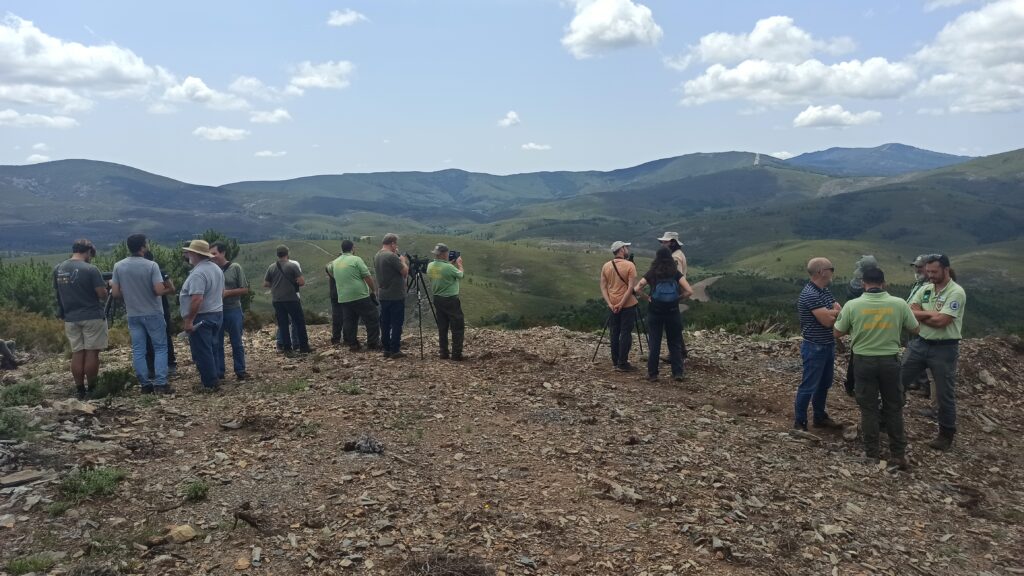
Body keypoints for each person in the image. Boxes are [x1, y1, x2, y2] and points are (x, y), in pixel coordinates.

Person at [833, 267, 919, 468]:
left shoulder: (853, 305)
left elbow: (837, 332)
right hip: (890, 361)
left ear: (864, 284)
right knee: (894, 407)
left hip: (863, 361)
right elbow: (915, 328)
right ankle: (898, 453)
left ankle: (872, 453)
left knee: (868, 408)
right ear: (884, 283)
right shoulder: (899, 304)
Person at [900, 254, 967, 451]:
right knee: (898, 380)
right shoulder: (926, 288)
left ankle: (946, 434)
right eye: (928, 271)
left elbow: (942, 321)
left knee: (945, 393)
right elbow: (909, 310)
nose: (929, 275)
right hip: (920, 343)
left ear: (946, 270)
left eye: (934, 272)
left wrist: (922, 315)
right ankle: (886, 420)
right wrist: (930, 314)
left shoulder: (956, 292)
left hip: (944, 348)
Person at [111, 234, 174, 394]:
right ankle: (161, 383)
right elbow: (158, 290)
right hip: (153, 312)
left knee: (139, 350)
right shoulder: (151, 265)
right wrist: (170, 288)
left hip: (133, 313)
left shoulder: (119, 266)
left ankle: (145, 384)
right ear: (143, 247)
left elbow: (116, 293)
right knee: (160, 347)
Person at [53, 239, 108, 399]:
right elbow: (102, 295)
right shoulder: (91, 269)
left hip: (71, 317)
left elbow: (58, 293)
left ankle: (79, 389)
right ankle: (92, 388)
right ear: (89, 251)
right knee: (92, 353)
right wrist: (106, 287)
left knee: (77, 352)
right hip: (92, 316)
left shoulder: (58, 268)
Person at [794, 257, 843, 431]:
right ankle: (800, 423)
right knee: (808, 386)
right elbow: (828, 321)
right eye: (831, 268)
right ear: (821, 272)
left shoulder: (823, 291)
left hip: (826, 344)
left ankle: (819, 417)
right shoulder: (811, 294)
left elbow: (837, 310)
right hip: (815, 346)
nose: (833, 272)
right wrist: (834, 312)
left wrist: (833, 312)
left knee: (824, 384)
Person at [634, 247, 693, 382]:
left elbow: (637, 288)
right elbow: (689, 291)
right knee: (674, 342)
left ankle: (653, 374)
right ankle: (678, 372)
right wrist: (677, 298)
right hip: (672, 311)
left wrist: (647, 297)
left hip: (655, 311)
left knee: (655, 342)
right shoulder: (675, 273)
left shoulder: (652, 272)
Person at [180, 239, 225, 391]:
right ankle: (215, 376)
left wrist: (189, 320)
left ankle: (210, 383)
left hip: (203, 316)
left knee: (202, 350)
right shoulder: (216, 269)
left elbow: (197, 298)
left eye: (189, 253)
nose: (187, 256)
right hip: (217, 313)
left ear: (194, 254)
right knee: (212, 347)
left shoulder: (198, 273)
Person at [328, 240, 380, 352]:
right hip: (359, 294)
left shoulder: (335, 262)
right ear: (353, 248)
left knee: (349, 321)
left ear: (342, 249)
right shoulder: (356, 259)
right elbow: (367, 276)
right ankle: (373, 343)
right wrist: (373, 290)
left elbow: (329, 271)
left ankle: (353, 344)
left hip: (343, 297)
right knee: (372, 318)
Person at [210, 241, 249, 381]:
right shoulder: (211, 269)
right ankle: (219, 371)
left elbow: (245, 289)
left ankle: (240, 370)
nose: (212, 256)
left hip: (233, 309)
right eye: (210, 254)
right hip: (216, 311)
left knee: (236, 341)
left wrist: (227, 293)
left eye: (214, 253)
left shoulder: (235, 268)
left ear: (223, 253)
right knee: (216, 342)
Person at [842, 255, 879, 397]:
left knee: (856, 353)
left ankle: (851, 385)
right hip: (872, 321)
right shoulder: (868, 283)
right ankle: (860, 385)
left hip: (858, 321)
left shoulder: (856, 282)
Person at [600, 241, 639, 371]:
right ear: (621, 250)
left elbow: (603, 287)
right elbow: (630, 288)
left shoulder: (606, 266)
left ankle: (615, 361)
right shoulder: (630, 265)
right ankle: (623, 363)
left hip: (612, 304)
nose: (627, 249)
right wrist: (622, 304)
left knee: (614, 332)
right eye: (626, 247)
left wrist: (610, 304)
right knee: (626, 333)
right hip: (627, 304)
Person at [264, 245, 310, 354]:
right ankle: (303, 347)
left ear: (277, 254)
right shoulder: (292, 266)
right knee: (299, 322)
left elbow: (266, 283)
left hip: (277, 300)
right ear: (287, 253)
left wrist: (276, 286)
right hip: (291, 298)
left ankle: (287, 349)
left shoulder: (271, 267)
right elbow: (302, 282)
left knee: (283, 324)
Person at [427, 243, 466, 360]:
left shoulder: (430, 265)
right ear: (444, 254)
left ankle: (443, 352)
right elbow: (461, 275)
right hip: (450, 299)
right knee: (457, 326)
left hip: (437, 298)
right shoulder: (449, 268)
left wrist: (450, 264)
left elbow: (441, 270)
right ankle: (456, 354)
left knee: (442, 326)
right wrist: (459, 264)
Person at [142, 250, 177, 379]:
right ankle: (165, 364)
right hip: (158, 309)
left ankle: (164, 365)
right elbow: (172, 289)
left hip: (158, 309)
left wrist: (156, 292)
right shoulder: (158, 271)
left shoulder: (159, 272)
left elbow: (172, 289)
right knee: (161, 337)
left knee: (159, 337)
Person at [374, 233, 410, 358]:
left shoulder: (378, 255)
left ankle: (386, 348)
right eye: (396, 244)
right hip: (395, 295)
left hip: (383, 294)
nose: (396, 246)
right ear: (392, 243)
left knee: (385, 322)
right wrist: (403, 261)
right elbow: (404, 272)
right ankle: (395, 349)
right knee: (396, 323)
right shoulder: (391, 256)